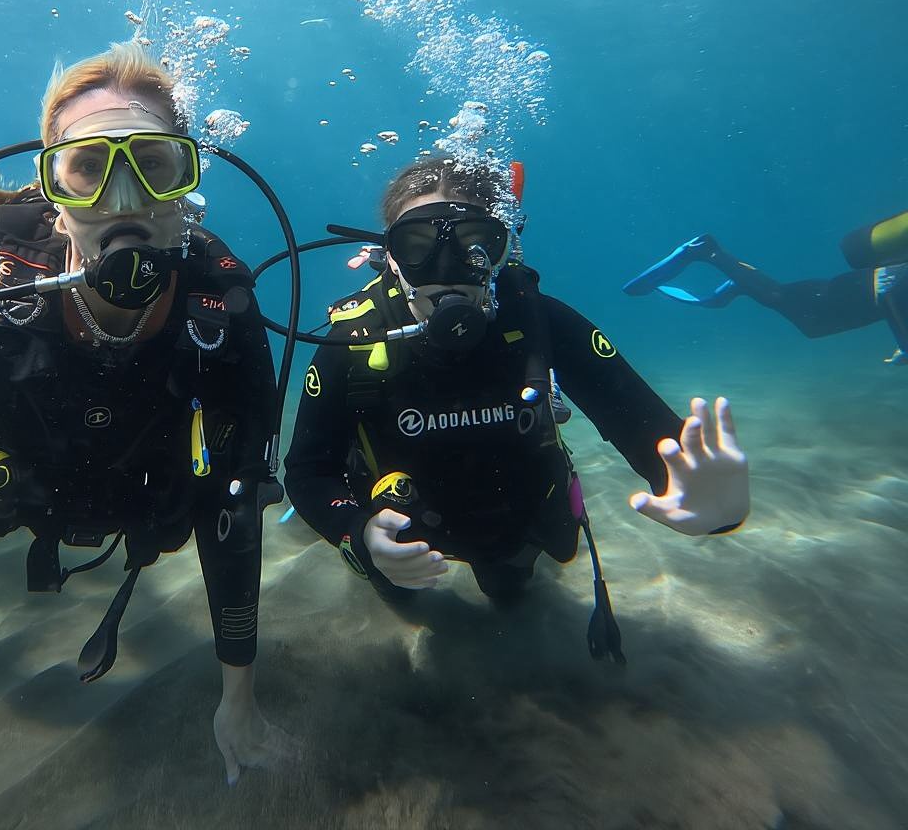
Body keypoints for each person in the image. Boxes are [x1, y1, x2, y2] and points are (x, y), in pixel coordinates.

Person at [0, 45, 287, 829]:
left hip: (132, 493)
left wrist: (238, 693)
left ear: (188, 186)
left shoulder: (224, 313)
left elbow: (237, 505)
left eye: (155, 164)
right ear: (53, 191)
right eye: (88, 168)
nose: (126, 197)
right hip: (11, 487)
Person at [284, 157, 749, 660]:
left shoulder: (538, 322)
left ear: (502, 250)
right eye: (419, 247)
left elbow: (652, 436)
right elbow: (309, 471)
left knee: (511, 596)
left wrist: (716, 508)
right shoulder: (354, 340)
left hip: (509, 524)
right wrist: (357, 531)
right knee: (405, 595)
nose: (448, 272)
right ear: (390, 256)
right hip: (402, 523)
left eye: (473, 246)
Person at [623, 212, 908, 366]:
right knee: (783, 301)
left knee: (793, 309)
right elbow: (895, 293)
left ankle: (734, 280)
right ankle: (707, 252)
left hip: (845, 294)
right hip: (840, 295)